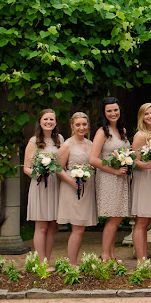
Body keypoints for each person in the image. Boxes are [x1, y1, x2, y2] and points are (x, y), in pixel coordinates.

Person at [90, 97, 131, 261]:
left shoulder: (123, 130)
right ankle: (105, 256)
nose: (113, 113)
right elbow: (93, 159)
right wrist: (114, 170)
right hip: (108, 177)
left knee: (117, 217)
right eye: (109, 111)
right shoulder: (102, 132)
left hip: (121, 177)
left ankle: (112, 255)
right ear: (104, 113)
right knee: (113, 217)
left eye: (115, 110)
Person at [56, 112, 97, 263]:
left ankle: (73, 261)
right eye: (78, 125)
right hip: (73, 188)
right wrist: (72, 182)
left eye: (84, 125)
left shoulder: (91, 143)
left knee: (81, 228)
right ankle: (72, 264)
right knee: (77, 228)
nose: (81, 128)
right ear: (72, 126)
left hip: (87, 187)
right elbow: (58, 168)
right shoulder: (67, 144)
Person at [24, 108, 63, 263]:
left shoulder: (60, 139)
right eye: (45, 119)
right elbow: (26, 167)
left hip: (55, 185)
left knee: (53, 225)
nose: (48, 122)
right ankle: (41, 262)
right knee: (41, 226)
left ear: (55, 122)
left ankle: (48, 259)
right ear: (40, 122)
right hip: (40, 185)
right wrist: (37, 173)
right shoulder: (34, 142)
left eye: (51, 119)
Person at [131, 103, 151, 271]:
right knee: (141, 221)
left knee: (146, 221)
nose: (150, 116)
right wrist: (145, 165)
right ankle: (141, 262)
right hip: (143, 179)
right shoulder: (140, 135)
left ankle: (145, 260)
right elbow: (134, 161)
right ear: (142, 117)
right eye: (146, 114)